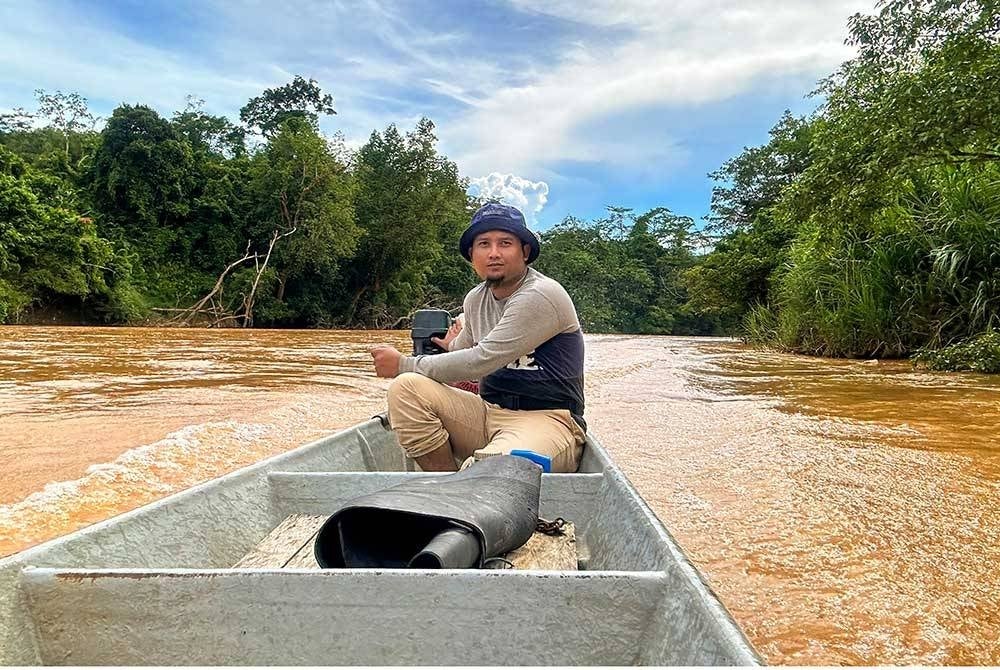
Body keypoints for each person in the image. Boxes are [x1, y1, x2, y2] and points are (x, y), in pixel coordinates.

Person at [370, 202, 586, 472]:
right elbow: (462, 352)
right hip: (487, 414)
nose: (494, 253)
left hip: (548, 419)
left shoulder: (540, 295)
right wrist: (448, 346)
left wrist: (402, 364)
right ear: (472, 254)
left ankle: (465, 490)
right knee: (406, 389)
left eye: (505, 243)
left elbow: (480, 360)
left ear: (525, 251)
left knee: (491, 469)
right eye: (484, 244)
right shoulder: (476, 299)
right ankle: (445, 487)